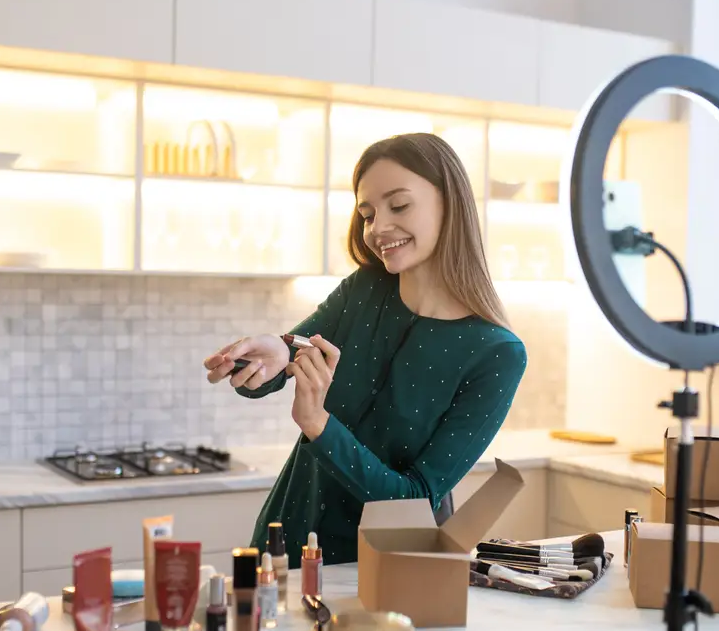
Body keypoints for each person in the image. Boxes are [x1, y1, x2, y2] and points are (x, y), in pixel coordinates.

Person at [202, 133, 527, 568]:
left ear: (450, 202)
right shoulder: (365, 289)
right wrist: (273, 353)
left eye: (399, 205)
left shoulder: (496, 354)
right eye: (368, 214)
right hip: (284, 545)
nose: (378, 228)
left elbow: (412, 497)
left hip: (377, 572)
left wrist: (318, 424)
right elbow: (286, 360)